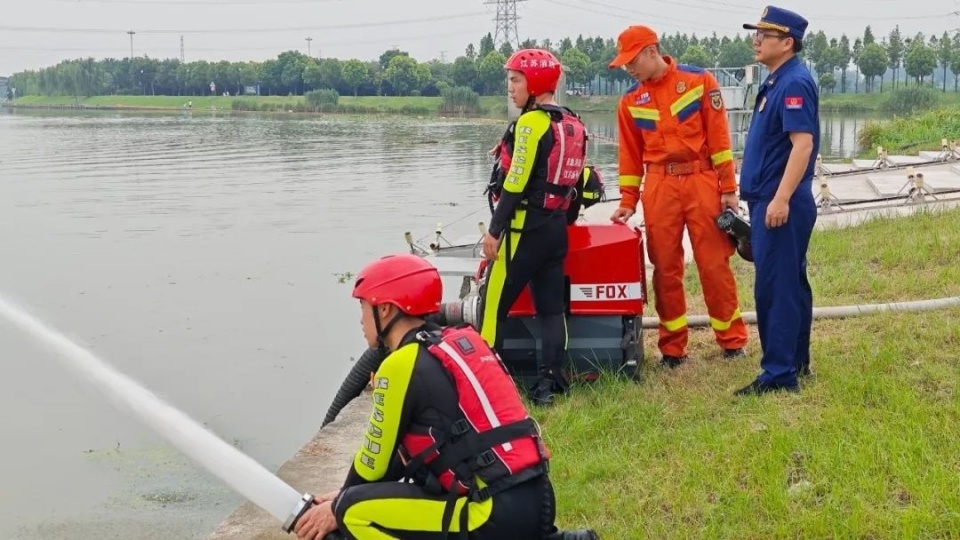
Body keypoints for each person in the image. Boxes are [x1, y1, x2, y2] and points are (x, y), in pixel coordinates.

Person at [292, 254, 599, 540]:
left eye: (363, 307)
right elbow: (402, 458)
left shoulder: (401, 364)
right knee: (349, 502)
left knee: (353, 513)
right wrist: (340, 494)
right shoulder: (459, 343)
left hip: (491, 512)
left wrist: (338, 506)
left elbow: (372, 464)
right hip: (535, 498)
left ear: (384, 308)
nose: (361, 320)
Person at [607, 25, 748, 368]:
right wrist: (628, 201)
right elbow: (629, 156)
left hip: (701, 180)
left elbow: (719, 141)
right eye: (624, 64)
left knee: (714, 264)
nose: (628, 68)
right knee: (665, 269)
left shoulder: (700, 82)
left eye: (631, 61)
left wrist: (728, 189)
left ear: (651, 51)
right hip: (658, 187)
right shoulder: (629, 101)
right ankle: (672, 349)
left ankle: (731, 340)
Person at [481, 48, 589, 406]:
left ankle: (483, 385)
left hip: (522, 235)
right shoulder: (573, 123)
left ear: (536, 82)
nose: (509, 88)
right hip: (555, 232)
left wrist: (495, 231)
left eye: (515, 80)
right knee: (550, 311)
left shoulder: (531, 124)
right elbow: (579, 184)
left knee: (490, 310)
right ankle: (551, 383)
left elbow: (514, 183)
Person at [734, 6, 819, 396]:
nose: (756, 39)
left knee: (776, 287)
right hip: (769, 198)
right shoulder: (776, 81)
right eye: (757, 33)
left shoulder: (794, 82)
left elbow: (802, 145)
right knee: (788, 283)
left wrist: (781, 198)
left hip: (779, 202)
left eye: (765, 35)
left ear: (787, 43)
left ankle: (779, 374)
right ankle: (795, 362)